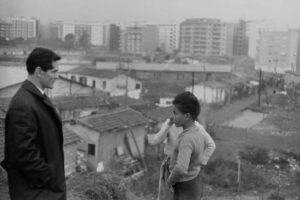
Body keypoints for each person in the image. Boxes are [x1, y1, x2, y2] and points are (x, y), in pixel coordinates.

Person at [1, 47, 66, 200]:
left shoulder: (34, 97)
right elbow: (23, 153)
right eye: (54, 72)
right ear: (38, 71)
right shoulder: (23, 104)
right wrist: (49, 177)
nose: (57, 76)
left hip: (42, 190)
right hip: (37, 192)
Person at [148, 95, 215, 200]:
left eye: (175, 113)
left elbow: (211, 145)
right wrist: (168, 124)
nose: (173, 116)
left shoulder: (195, 129)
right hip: (171, 167)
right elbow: (156, 140)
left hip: (185, 172)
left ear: (187, 116)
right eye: (173, 113)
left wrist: (200, 161)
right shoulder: (173, 123)